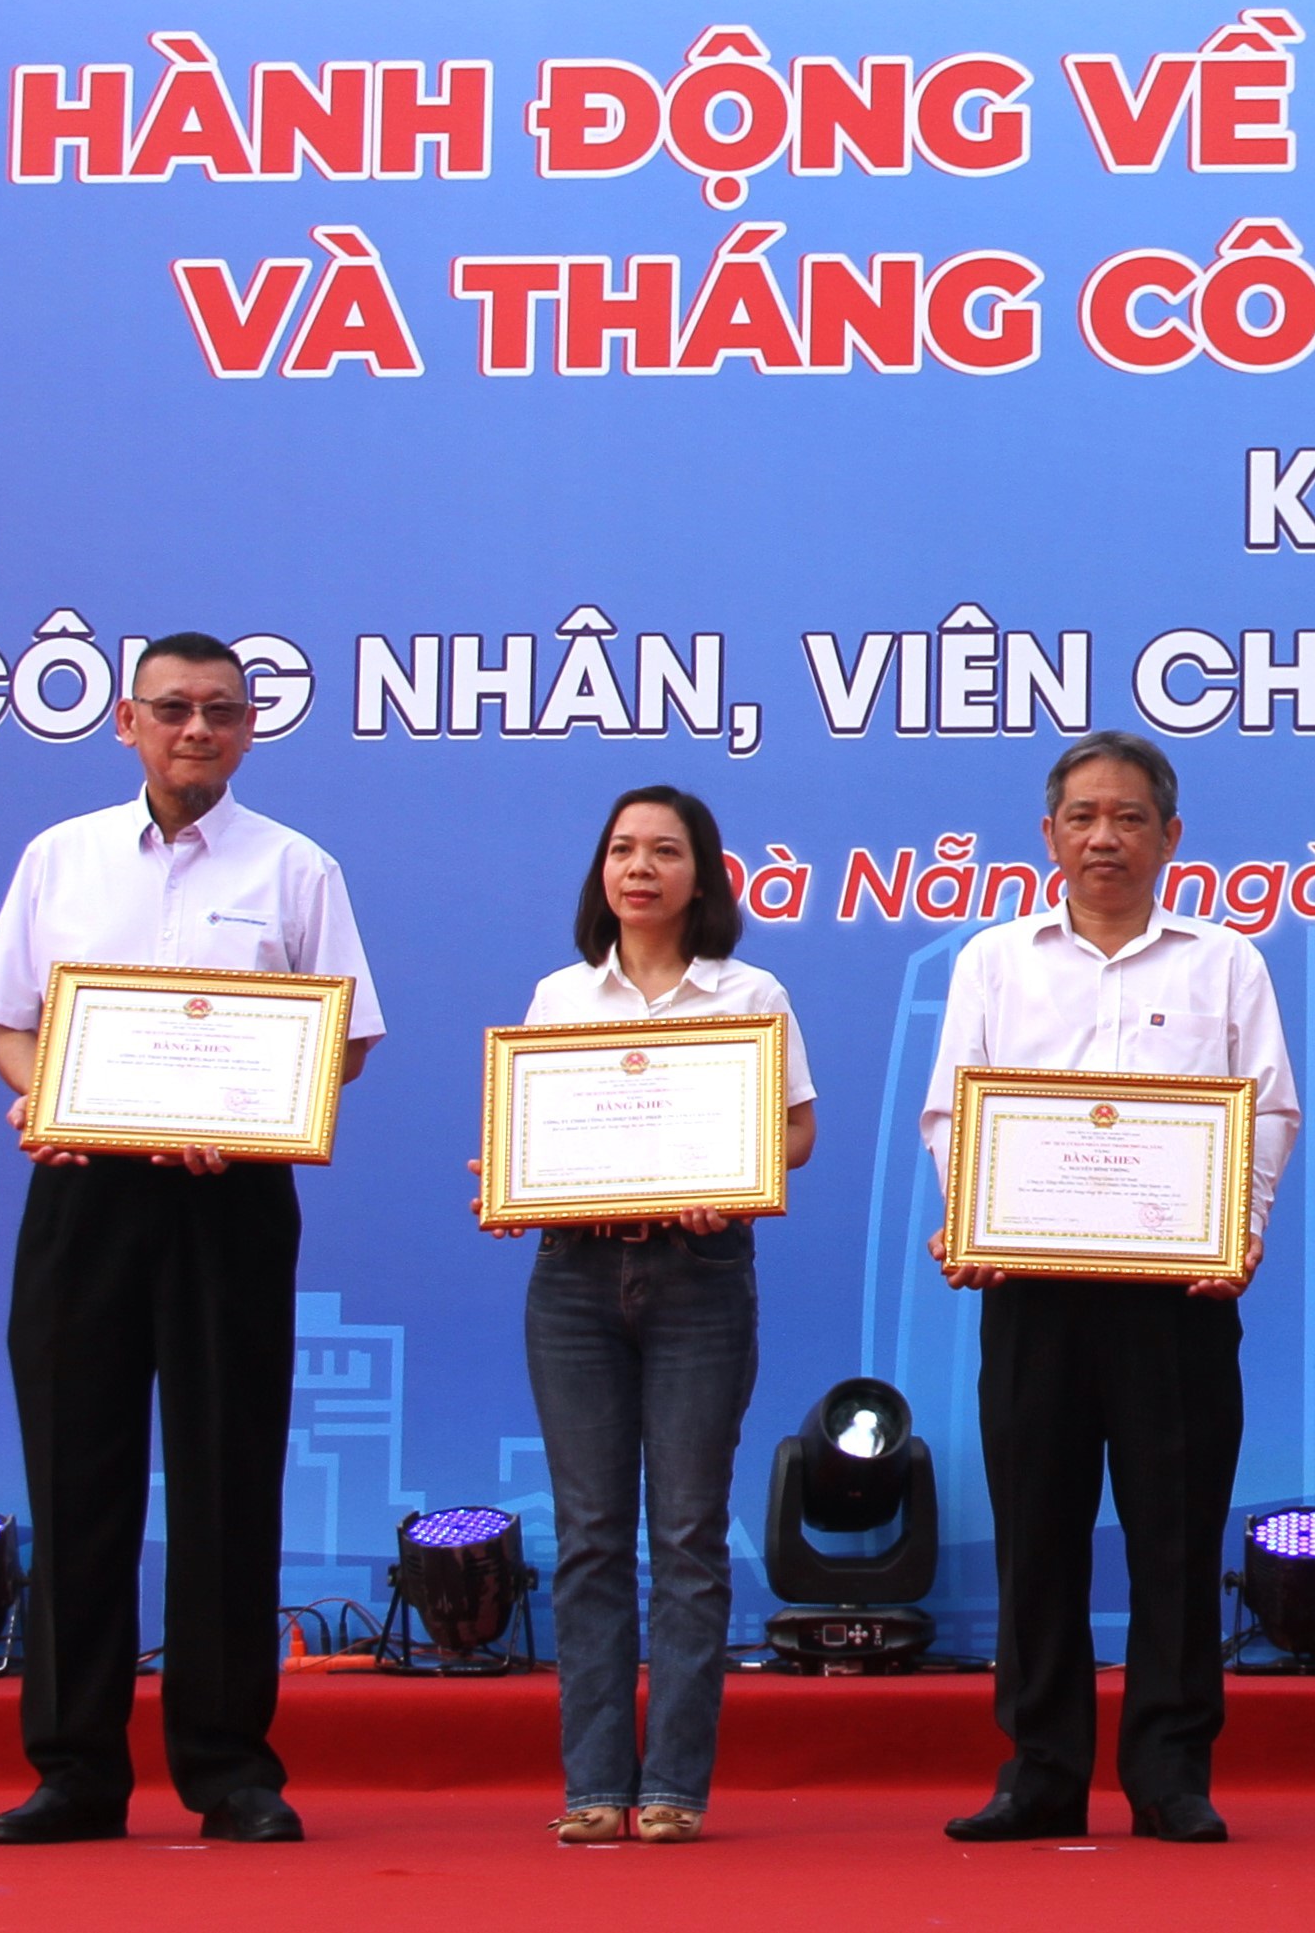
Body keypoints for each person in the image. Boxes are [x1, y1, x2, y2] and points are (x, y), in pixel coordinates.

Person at [0, 632, 381, 1848]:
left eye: (221, 711)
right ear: (126, 723)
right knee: (76, 1481)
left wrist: (255, 1110)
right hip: (84, 1196)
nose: (197, 729)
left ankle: (228, 1764)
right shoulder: (62, 857)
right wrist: (48, 1097)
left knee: (224, 1482)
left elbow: (346, 1039)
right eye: (173, 709)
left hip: (231, 1204)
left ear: (249, 728)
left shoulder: (297, 867)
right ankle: (75, 1768)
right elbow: (5, 1018)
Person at [921, 735, 1297, 1845]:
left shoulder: (1225, 962)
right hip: (1031, 1288)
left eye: (1130, 817)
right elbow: (953, 1110)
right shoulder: (996, 959)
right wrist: (972, 1214)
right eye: (1083, 816)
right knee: (1037, 1530)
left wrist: (1240, 1227)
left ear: (1171, 837)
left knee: (1175, 1533)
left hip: (1177, 1296)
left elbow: (1267, 1109)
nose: (1104, 837)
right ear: (1048, 835)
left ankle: (1171, 1770)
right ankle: (1041, 1767)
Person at [519, 787, 818, 1846]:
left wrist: (731, 1178)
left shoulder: (749, 991)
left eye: (664, 851)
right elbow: (535, 1133)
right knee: (591, 1537)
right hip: (574, 1279)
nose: (638, 868)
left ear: (705, 873)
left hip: (698, 1275)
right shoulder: (560, 996)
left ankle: (675, 1786)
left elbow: (794, 1132)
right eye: (620, 850)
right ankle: (594, 1779)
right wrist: (516, 1181)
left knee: (687, 1534)